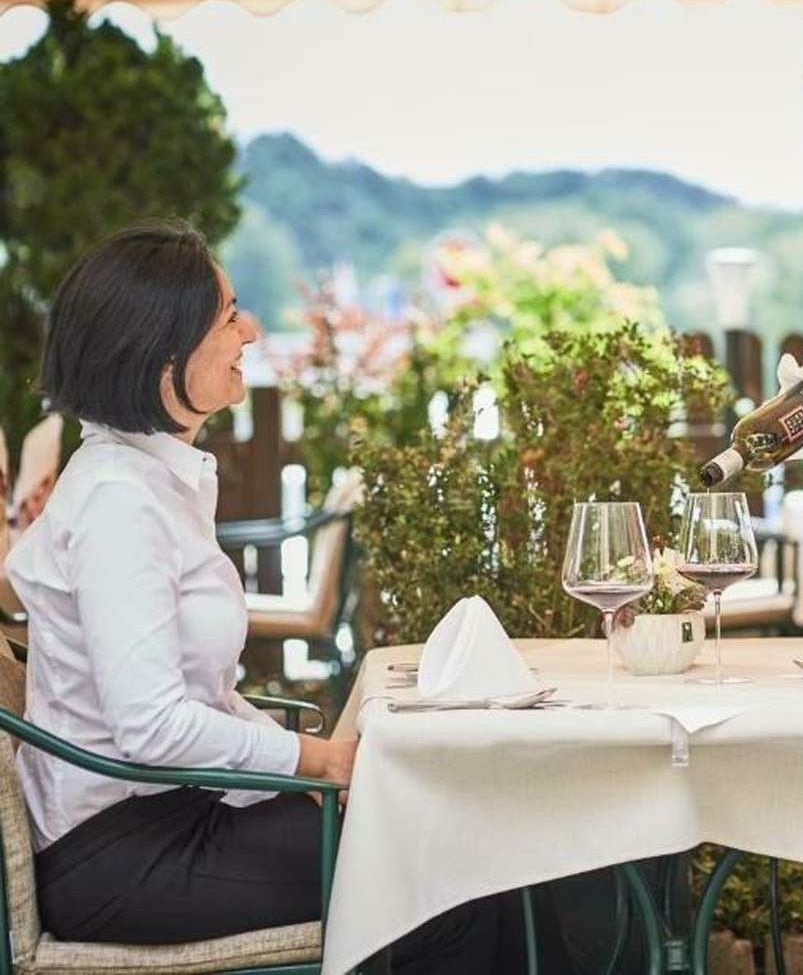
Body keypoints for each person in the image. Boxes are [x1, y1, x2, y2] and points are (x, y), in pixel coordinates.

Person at [2, 222, 541, 971]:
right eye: (228, 315)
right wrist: (315, 762)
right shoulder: (117, 502)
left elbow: (202, 701)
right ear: (163, 359)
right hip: (124, 853)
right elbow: (151, 727)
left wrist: (310, 772)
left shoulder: (150, 481)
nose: (250, 330)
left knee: (447, 831)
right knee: (450, 869)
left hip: (174, 809)